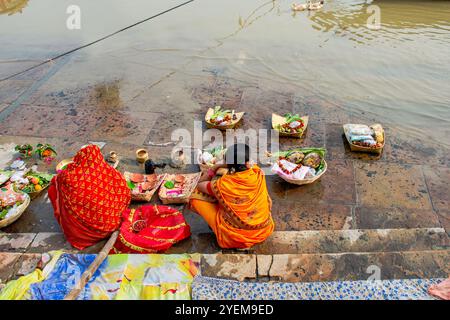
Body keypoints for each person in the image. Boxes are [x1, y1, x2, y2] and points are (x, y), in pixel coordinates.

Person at [189, 144, 274, 249]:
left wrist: (215, 167)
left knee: (194, 195)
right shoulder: (257, 172)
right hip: (262, 230)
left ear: (228, 164)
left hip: (235, 239)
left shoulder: (223, 184)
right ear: (247, 164)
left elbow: (200, 184)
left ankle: (225, 233)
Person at [48, 145, 131, 250]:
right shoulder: (112, 172)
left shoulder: (72, 179)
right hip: (115, 221)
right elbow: (126, 193)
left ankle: (81, 232)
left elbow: (56, 182)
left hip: (92, 233)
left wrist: (60, 177)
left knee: (55, 187)